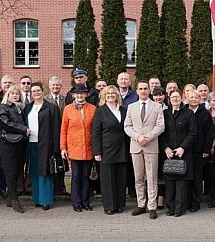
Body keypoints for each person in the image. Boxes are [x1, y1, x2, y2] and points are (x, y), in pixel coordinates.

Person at [124, 81, 165, 220]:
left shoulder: (157, 107)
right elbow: (127, 126)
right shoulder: (131, 107)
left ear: (149, 90)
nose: (143, 91)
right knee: (138, 178)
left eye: (145, 88)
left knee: (152, 177)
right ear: (137, 91)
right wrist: (138, 137)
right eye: (140, 89)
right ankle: (141, 204)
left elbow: (160, 126)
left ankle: (152, 206)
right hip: (136, 146)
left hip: (151, 145)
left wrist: (147, 137)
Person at [160, 90, 197, 217]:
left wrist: (183, 148)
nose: (175, 99)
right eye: (172, 97)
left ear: (181, 98)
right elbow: (160, 133)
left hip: (183, 152)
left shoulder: (188, 113)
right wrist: (165, 148)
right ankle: (170, 208)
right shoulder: (164, 113)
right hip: (168, 152)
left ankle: (179, 209)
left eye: (177, 97)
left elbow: (192, 133)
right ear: (169, 99)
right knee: (169, 182)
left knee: (181, 183)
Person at [25, 82, 61, 210]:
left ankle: (46, 200)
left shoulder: (51, 108)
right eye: (33, 91)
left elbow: (57, 129)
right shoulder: (28, 108)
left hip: (46, 145)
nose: (36, 93)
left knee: (45, 172)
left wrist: (56, 148)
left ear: (42, 91)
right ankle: (37, 199)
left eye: (38, 90)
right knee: (34, 172)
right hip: (31, 144)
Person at [92, 85, 128, 215]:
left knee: (120, 178)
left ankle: (119, 204)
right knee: (108, 179)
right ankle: (109, 206)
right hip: (107, 150)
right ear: (104, 96)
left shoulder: (123, 110)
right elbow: (95, 133)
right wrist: (97, 152)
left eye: (113, 93)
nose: (111, 95)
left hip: (122, 148)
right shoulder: (100, 111)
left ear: (117, 95)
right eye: (108, 94)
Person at [61, 83, 96, 211]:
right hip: (74, 148)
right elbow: (63, 129)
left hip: (88, 147)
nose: (80, 95)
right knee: (76, 176)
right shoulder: (68, 109)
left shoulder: (92, 108)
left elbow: (95, 129)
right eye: (77, 93)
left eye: (82, 93)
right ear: (74, 95)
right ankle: (76, 202)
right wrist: (63, 147)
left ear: (86, 95)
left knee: (86, 177)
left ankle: (86, 202)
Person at [0, 85, 28, 213]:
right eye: (12, 94)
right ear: (7, 95)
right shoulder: (3, 107)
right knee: (10, 171)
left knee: (17, 170)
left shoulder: (21, 108)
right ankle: (15, 200)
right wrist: (24, 129)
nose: (15, 96)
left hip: (20, 142)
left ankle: (10, 198)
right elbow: (6, 123)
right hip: (7, 143)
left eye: (17, 94)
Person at [186, 89, 214, 212]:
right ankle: (186, 201)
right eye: (191, 97)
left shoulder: (205, 113)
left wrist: (206, 149)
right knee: (186, 177)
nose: (194, 99)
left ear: (200, 99)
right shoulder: (184, 111)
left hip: (199, 150)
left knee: (197, 177)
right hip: (185, 149)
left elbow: (210, 133)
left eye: (196, 97)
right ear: (187, 98)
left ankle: (195, 202)